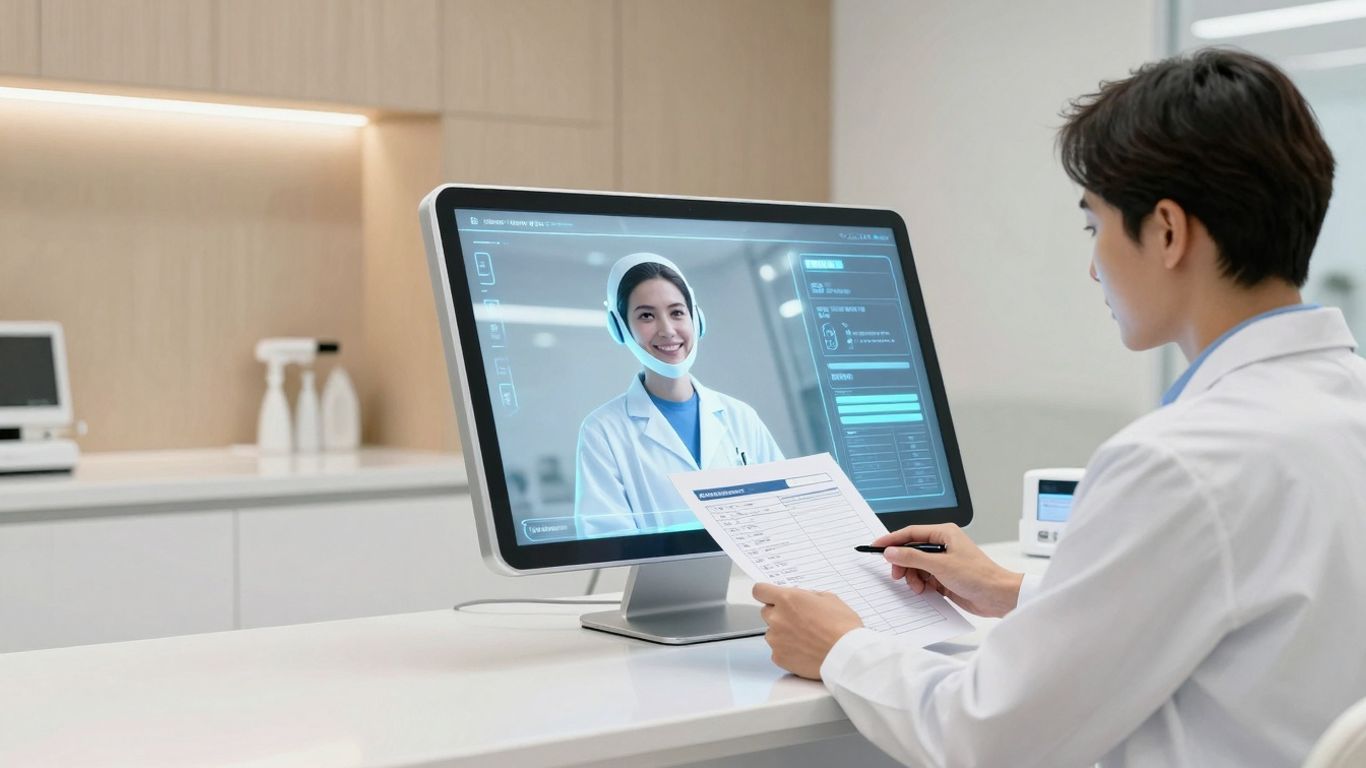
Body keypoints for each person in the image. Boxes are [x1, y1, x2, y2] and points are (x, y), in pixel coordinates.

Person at [753, 49, 1366, 767]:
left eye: (1094, 225)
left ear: (1167, 231)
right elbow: (1253, 607)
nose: (1093, 263)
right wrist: (1012, 589)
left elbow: (988, 737)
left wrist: (840, 647)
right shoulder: (1339, 406)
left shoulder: (1179, 463)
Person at [574, 253, 784, 537]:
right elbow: (604, 540)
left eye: (677, 312)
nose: (667, 330)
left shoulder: (740, 416)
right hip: (663, 583)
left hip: (752, 580)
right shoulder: (603, 430)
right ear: (619, 327)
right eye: (646, 315)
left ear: (697, 318)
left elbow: (786, 513)